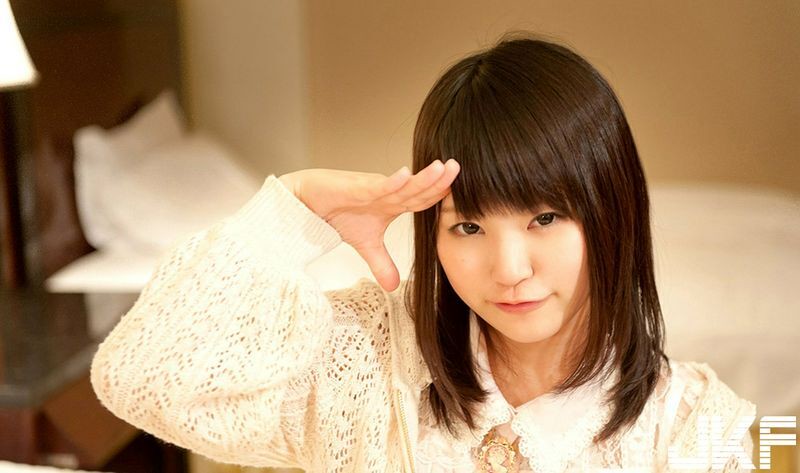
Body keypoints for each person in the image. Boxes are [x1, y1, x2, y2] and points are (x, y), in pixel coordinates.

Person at [90, 33, 755, 472]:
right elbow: (134, 379)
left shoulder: (699, 424)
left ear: (614, 211)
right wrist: (291, 209)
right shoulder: (367, 364)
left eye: (545, 218)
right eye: (468, 228)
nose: (510, 270)